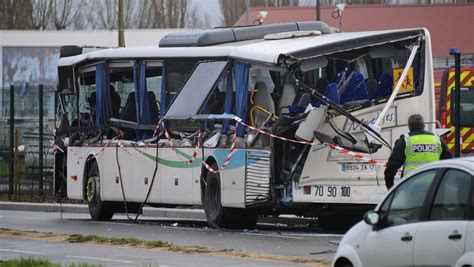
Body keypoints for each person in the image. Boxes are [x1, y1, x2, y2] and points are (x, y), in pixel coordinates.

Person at [384, 114, 452, 190]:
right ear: (423, 125)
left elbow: (392, 166)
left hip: (411, 184)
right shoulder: (437, 139)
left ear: (409, 126)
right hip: (434, 184)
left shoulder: (406, 140)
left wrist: (390, 186)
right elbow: (449, 161)